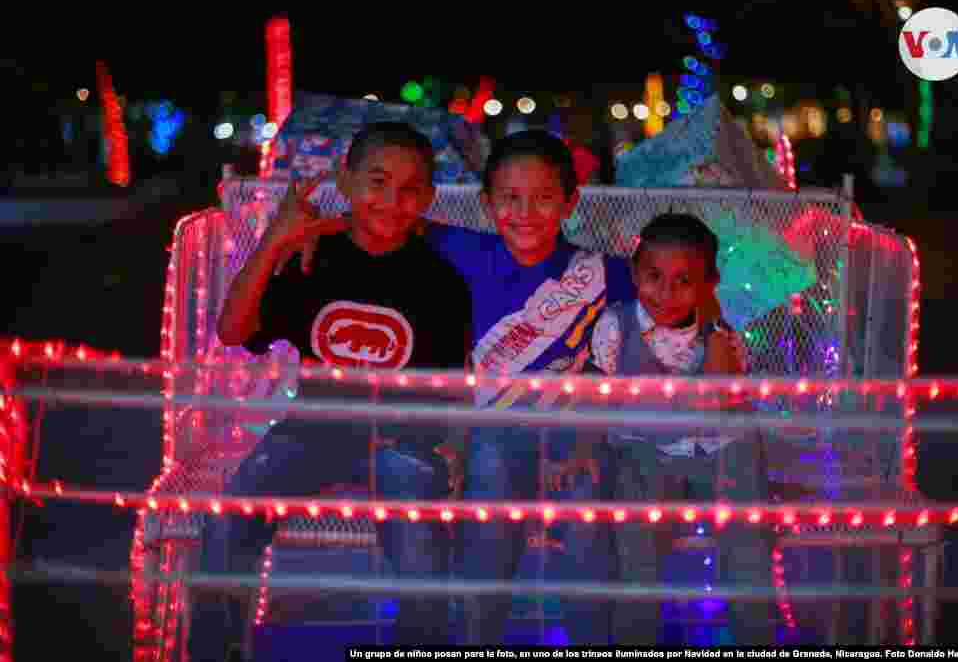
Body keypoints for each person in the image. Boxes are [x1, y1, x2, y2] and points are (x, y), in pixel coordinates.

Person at [279, 130, 641, 644]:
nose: (526, 213)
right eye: (510, 199)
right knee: (485, 529)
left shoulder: (605, 274)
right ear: (487, 204)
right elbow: (384, 223)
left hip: (572, 434)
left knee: (587, 529)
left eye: (543, 199)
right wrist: (307, 230)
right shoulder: (462, 249)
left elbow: (678, 286)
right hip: (488, 433)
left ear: (570, 201)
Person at [190, 122, 471, 660]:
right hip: (314, 427)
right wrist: (276, 239)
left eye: (410, 189)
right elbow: (232, 331)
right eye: (377, 181)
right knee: (230, 515)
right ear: (344, 181)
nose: (391, 201)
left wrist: (451, 445)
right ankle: (216, 650)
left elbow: (450, 383)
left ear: (429, 199)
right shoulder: (312, 258)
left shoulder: (439, 280)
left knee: (417, 538)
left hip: (402, 439)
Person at [552, 212, 775, 645]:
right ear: (635, 273)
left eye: (684, 280)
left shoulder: (721, 335)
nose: (667, 293)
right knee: (636, 552)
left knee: (749, 550)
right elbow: (594, 396)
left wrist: (712, 332)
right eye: (654, 277)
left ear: (709, 284)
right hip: (644, 449)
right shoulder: (615, 326)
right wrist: (582, 448)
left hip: (721, 447)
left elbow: (718, 401)